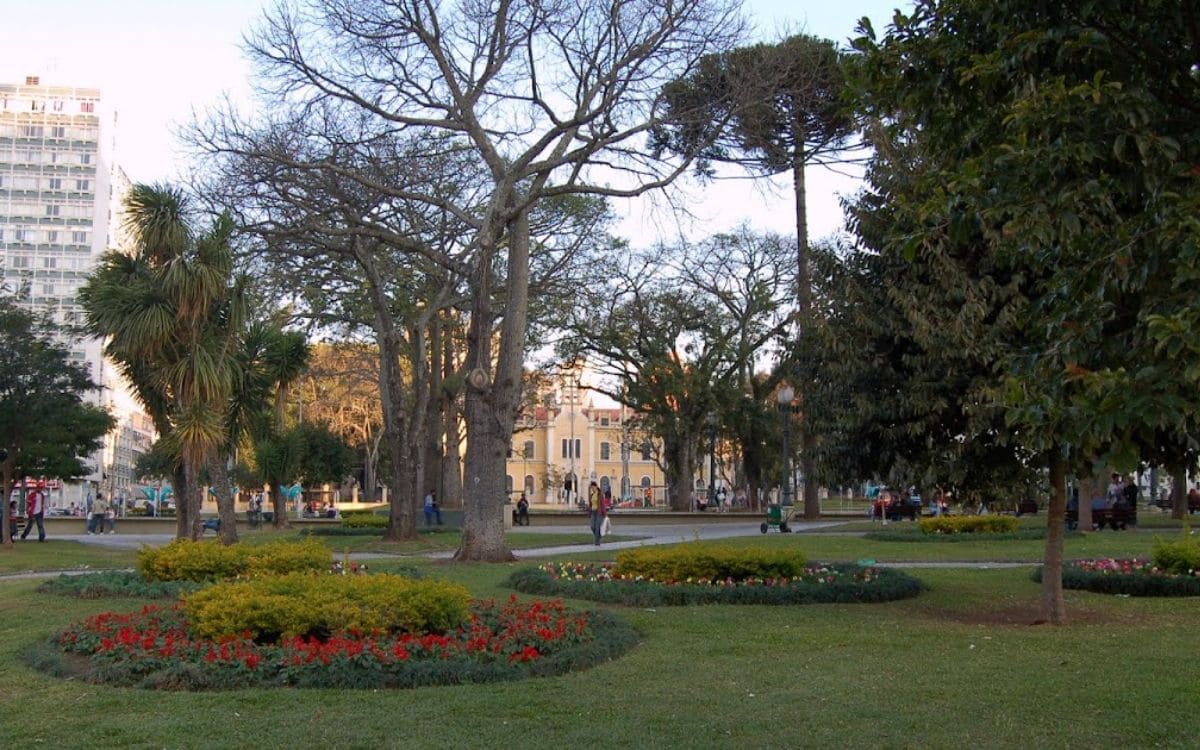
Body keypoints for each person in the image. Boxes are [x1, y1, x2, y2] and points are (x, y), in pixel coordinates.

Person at [587, 481, 604, 545]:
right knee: (592, 527)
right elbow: (590, 505)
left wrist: (604, 514)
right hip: (593, 512)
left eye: (593, 487)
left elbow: (603, 505)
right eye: (591, 488)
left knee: (597, 528)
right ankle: (599, 536)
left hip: (598, 512)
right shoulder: (592, 495)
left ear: (596, 487)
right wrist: (589, 513)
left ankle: (597, 542)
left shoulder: (600, 495)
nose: (592, 489)